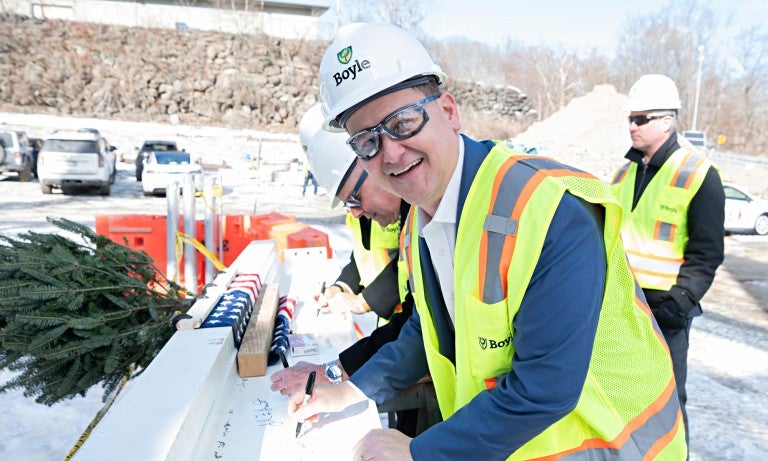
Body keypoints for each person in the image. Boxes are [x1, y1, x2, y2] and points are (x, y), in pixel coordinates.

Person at [287, 22, 687, 460]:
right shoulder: (424, 220)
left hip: (617, 447)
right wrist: (350, 389)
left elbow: (544, 389)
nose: (392, 152)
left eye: (403, 122)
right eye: (367, 141)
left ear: (449, 110)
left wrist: (419, 452)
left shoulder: (548, 209)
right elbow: (432, 332)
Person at [272, 105, 421, 436]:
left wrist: (339, 373)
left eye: (355, 198)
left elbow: (421, 328)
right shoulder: (411, 215)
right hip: (399, 347)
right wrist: (341, 287)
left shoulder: (428, 218)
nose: (356, 213)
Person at [610, 74, 725, 455]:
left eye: (641, 119)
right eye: (630, 118)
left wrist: (678, 305)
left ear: (667, 121)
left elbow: (707, 253)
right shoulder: (623, 173)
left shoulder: (699, 174)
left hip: (666, 311)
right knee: (625, 398)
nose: (632, 126)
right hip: (623, 306)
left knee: (669, 403)